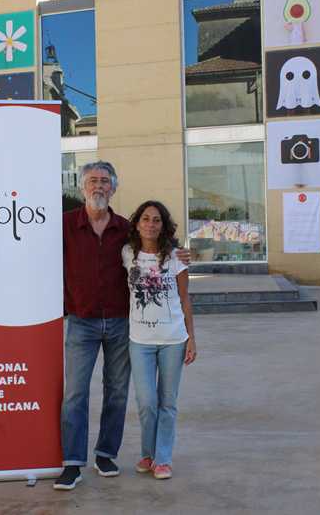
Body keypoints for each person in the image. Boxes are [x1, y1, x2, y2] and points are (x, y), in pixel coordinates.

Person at [55, 161, 189, 490]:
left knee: (116, 393)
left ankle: (105, 454)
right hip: (81, 321)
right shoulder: (64, 225)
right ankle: (72, 462)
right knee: (74, 393)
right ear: (82, 187)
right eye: (92, 181)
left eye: (104, 181)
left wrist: (181, 254)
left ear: (113, 188)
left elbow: (154, 247)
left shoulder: (123, 231)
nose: (98, 186)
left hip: (120, 322)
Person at [122, 201, 196, 480]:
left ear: (163, 225)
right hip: (139, 340)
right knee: (146, 402)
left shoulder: (176, 257)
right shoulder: (128, 253)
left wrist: (191, 338)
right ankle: (148, 453)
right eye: (145, 219)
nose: (150, 224)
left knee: (168, 401)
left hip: (173, 339)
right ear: (137, 223)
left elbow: (185, 298)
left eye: (156, 220)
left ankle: (162, 458)